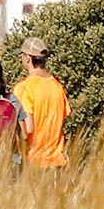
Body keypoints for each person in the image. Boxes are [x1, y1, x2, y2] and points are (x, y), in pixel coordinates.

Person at [12, 37, 68, 169]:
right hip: (58, 162)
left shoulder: (23, 88)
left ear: (27, 58)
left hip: (34, 162)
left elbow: (28, 128)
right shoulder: (57, 86)